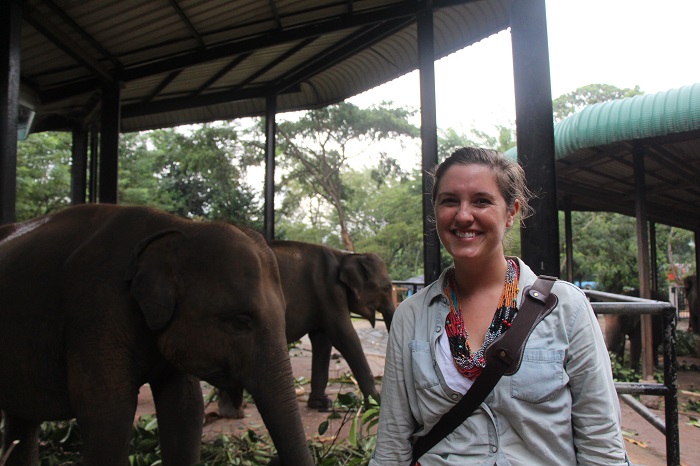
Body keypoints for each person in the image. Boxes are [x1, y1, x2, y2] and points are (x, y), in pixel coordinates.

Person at [370, 147, 629, 465]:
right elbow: (392, 445)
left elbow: (601, 443)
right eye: (450, 200)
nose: (463, 215)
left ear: (511, 213)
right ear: (435, 210)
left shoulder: (566, 308)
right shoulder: (410, 316)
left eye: (481, 201)